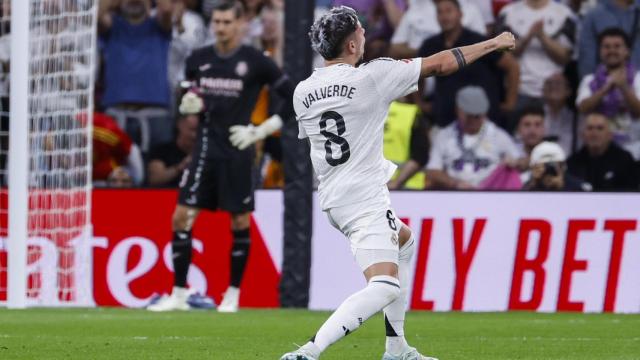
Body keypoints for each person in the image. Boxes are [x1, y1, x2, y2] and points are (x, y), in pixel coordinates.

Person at [281, 6, 515, 360]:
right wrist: (493, 43)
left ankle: (397, 348)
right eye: (361, 32)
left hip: (334, 196)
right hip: (363, 199)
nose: (366, 37)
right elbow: (439, 64)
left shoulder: (303, 91)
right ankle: (309, 351)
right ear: (350, 46)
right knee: (384, 285)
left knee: (405, 241)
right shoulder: (373, 77)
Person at [147, 0, 294, 313]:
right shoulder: (198, 59)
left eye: (227, 22)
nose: (221, 28)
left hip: (239, 150)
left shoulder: (256, 61)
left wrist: (262, 130)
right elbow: (187, 91)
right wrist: (187, 103)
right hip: (204, 149)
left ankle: (232, 294)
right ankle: (178, 293)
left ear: (240, 24)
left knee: (239, 221)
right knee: (181, 217)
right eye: (216, 22)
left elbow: (291, 97)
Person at [417, 0, 519, 129]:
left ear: (460, 14)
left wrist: (510, 102)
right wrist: (419, 103)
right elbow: (416, 72)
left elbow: (512, 66)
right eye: (440, 12)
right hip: (445, 119)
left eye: (449, 11)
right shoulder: (430, 45)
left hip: (483, 119)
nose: (444, 16)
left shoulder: (478, 41)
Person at [98, 0, 178, 155]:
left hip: (156, 116)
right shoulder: (112, 26)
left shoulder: (159, 26)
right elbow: (96, 15)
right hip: (116, 113)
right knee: (116, 174)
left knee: (155, 175)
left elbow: (167, 9)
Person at [425, 86, 521, 190]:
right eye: (469, 115)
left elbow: (521, 161)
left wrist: (514, 162)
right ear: (458, 109)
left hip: (490, 195)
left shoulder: (498, 135)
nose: (473, 119)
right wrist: (454, 183)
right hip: (454, 194)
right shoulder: (444, 135)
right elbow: (432, 171)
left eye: (478, 116)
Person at [495, 0, 575, 112]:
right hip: (519, 90)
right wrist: (527, 38)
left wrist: (542, 37)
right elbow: (502, 53)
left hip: (552, 92)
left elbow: (565, 56)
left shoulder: (564, 13)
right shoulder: (508, 12)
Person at [576, 27, 640, 160]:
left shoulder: (638, 79)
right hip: (597, 149)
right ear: (600, 51)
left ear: (627, 51)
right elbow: (583, 108)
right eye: (606, 47)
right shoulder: (590, 80)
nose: (611, 50)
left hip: (633, 148)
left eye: (617, 46)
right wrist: (605, 89)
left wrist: (623, 87)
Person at [567, 112, 639, 191]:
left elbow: (631, 191)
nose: (594, 133)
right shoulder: (573, 162)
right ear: (582, 135)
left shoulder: (624, 160)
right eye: (590, 128)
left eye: (600, 128)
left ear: (610, 135)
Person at [578, 0, 640, 79]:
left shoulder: (637, 12)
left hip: (637, 84)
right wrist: (591, 85)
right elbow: (587, 59)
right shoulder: (594, 16)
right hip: (601, 84)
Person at [146, 113, 198, 187]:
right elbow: (155, 179)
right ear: (180, 125)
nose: (195, 135)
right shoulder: (161, 150)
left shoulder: (207, 153)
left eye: (199, 131)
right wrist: (181, 167)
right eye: (192, 130)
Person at [523, 141, 591, 191]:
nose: (548, 169)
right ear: (533, 168)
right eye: (544, 165)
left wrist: (562, 187)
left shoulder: (578, 187)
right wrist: (534, 184)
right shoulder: (528, 185)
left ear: (563, 167)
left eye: (553, 164)